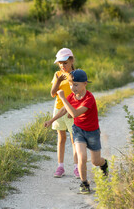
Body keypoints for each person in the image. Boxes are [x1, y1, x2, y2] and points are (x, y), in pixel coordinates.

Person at [44, 69, 108, 194]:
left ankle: (104, 164)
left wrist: (62, 98)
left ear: (85, 83)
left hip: (92, 132)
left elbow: (74, 113)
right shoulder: (72, 97)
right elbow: (63, 110)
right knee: (82, 157)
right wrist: (51, 121)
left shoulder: (89, 98)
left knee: (95, 161)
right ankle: (84, 183)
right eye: (71, 84)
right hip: (78, 130)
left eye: (76, 84)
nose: (73, 88)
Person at [46, 48, 79, 179]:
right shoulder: (57, 74)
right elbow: (52, 93)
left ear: (71, 61)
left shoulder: (77, 74)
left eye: (65, 63)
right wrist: (58, 81)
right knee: (61, 138)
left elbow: (79, 93)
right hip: (58, 108)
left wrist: (74, 111)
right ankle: (60, 166)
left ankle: (77, 167)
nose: (62, 65)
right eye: (60, 63)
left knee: (74, 139)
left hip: (71, 110)